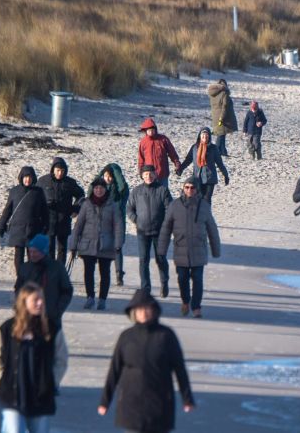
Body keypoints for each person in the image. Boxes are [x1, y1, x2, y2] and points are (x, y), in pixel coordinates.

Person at [98, 290, 195, 432]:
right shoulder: (126, 337)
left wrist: (187, 399)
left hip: (160, 401)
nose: (143, 313)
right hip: (131, 401)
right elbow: (115, 370)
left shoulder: (166, 335)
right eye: (139, 309)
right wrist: (105, 401)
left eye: (146, 308)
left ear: (154, 310)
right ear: (134, 313)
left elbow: (179, 369)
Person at [0, 283, 68, 433]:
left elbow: (61, 358)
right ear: (24, 302)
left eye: (41, 299)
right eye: (35, 300)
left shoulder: (51, 329)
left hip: (41, 396)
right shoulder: (7, 328)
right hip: (12, 395)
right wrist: (1, 380)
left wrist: (52, 381)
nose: (40, 303)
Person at [158, 177, 222, 318]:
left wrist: (215, 249)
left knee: (198, 279)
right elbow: (165, 228)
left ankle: (196, 306)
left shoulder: (204, 206)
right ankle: (185, 301)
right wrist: (161, 249)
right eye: (186, 187)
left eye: (192, 187)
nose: (189, 190)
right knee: (182, 279)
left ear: (197, 189)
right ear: (183, 188)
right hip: (181, 249)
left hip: (198, 249)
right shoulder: (175, 206)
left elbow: (212, 228)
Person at [70, 178, 124, 311]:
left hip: (106, 244)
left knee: (104, 273)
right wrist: (73, 244)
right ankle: (90, 297)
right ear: (93, 190)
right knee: (88, 272)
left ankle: (102, 299)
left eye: (101, 188)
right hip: (88, 244)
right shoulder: (87, 204)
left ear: (105, 190)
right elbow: (78, 225)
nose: (99, 190)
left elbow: (118, 226)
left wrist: (118, 243)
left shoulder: (112, 205)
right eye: (96, 188)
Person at [126, 165, 172, 297]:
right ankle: (145, 288)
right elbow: (129, 209)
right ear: (142, 176)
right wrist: (136, 220)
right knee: (143, 260)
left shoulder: (162, 190)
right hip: (142, 231)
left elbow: (170, 209)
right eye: (146, 174)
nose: (148, 176)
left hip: (160, 231)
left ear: (155, 175)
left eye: (151, 174)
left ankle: (164, 283)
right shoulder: (136, 191)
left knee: (161, 258)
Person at [0, 166, 50, 276]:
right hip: (18, 228)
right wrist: (1, 224)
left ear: (33, 179)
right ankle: (20, 277)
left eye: (30, 177)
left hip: (33, 228)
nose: (28, 180)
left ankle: (31, 276)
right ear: (21, 177)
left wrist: (46, 225)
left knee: (32, 254)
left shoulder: (38, 192)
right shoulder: (14, 191)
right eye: (26, 177)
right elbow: (8, 210)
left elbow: (44, 211)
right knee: (18, 255)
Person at [15, 234, 74, 328]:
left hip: (51, 318)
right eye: (30, 251)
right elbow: (18, 290)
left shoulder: (57, 268)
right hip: (28, 317)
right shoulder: (25, 268)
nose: (32, 254)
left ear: (44, 252)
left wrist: (58, 310)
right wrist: (20, 308)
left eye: (35, 252)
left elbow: (67, 290)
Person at [37, 157, 85, 263]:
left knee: (62, 250)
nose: (60, 173)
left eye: (62, 171)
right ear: (53, 169)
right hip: (48, 221)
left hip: (64, 220)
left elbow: (81, 195)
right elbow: (35, 197)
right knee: (49, 249)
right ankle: (50, 273)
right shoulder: (43, 181)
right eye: (58, 170)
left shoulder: (70, 182)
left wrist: (75, 209)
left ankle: (60, 273)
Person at [95, 163, 130, 286]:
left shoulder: (121, 190)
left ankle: (119, 274)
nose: (108, 178)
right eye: (105, 176)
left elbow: (123, 187)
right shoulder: (99, 189)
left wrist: (115, 170)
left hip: (117, 223)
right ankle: (104, 275)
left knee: (117, 248)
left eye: (110, 176)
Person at [176, 126, 230, 205]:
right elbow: (188, 160)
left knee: (207, 199)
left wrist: (226, 175)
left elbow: (220, 163)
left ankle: (207, 216)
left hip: (210, 178)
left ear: (209, 137)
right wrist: (180, 169)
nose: (205, 137)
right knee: (198, 198)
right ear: (200, 136)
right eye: (203, 135)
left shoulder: (213, 148)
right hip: (197, 177)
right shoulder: (194, 148)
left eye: (207, 135)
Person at [137, 117, 181, 187]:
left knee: (163, 193)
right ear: (145, 131)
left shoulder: (163, 139)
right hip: (149, 174)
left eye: (152, 130)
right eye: (149, 130)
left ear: (155, 129)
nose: (151, 132)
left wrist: (177, 163)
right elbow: (141, 158)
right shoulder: (143, 142)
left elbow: (172, 153)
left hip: (163, 173)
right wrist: (140, 170)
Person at [207, 79, 238, 157]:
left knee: (222, 134)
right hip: (222, 117)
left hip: (215, 117)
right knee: (220, 135)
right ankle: (216, 152)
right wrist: (222, 118)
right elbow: (225, 107)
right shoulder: (224, 93)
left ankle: (223, 151)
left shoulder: (213, 94)